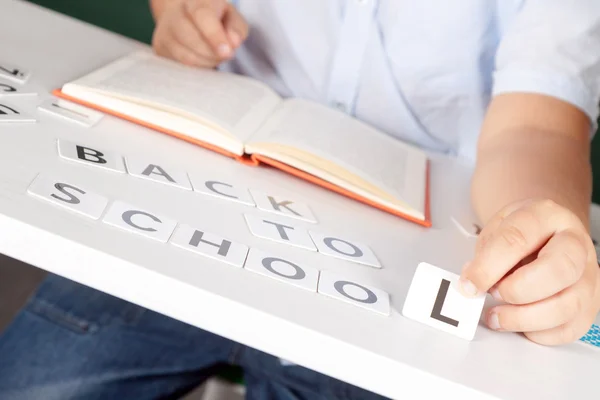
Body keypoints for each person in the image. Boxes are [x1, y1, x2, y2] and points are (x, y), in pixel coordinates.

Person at [1, 0, 600, 399]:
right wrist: (180, 11)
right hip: (196, 177)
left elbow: (537, 129)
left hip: (408, 252)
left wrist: (537, 226)